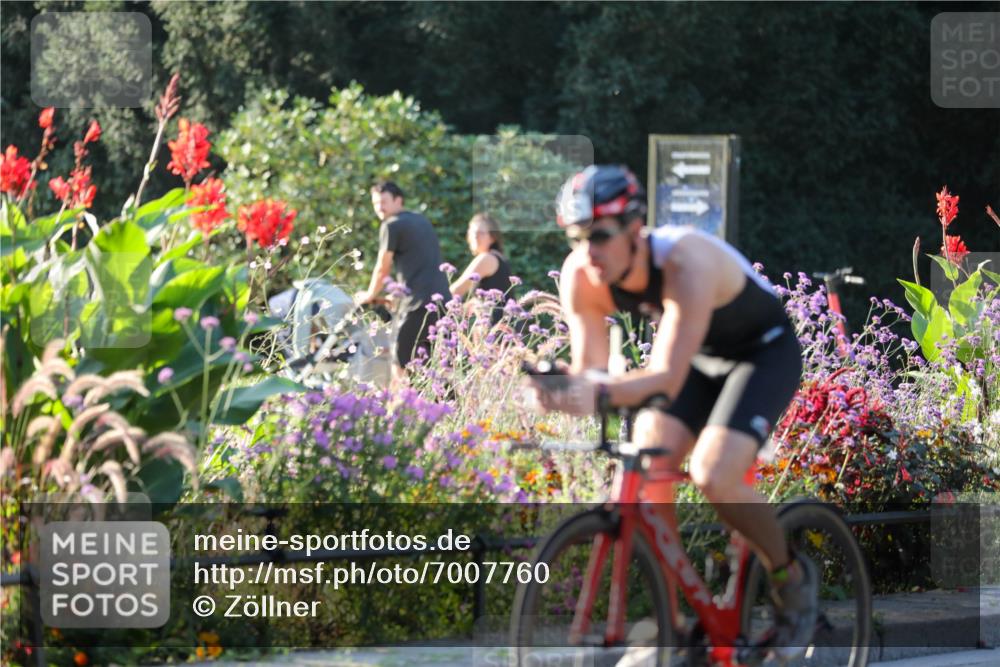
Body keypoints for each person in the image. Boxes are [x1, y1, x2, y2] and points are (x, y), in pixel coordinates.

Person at [526, 165, 818, 660]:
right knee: (647, 459)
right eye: (577, 237)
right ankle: (675, 626)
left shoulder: (685, 260)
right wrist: (557, 386)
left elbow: (662, 378)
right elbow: (591, 372)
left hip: (762, 353)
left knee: (713, 474)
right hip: (699, 359)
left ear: (635, 228)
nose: (588, 251)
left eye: (600, 235)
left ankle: (790, 577)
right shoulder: (581, 275)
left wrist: (594, 391)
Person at [357, 180, 450, 370]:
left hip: (417, 305)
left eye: (384, 201)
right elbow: (420, 264)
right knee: (440, 369)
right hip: (443, 303)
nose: (379, 207)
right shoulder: (422, 221)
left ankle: (401, 391)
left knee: (400, 364)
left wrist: (369, 295)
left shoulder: (391, 225)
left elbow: (382, 268)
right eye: (375, 203)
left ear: (398, 200)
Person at [450, 213, 514, 325]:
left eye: (481, 233)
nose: (475, 236)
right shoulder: (499, 258)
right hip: (504, 326)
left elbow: (457, 290)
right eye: (472, 232)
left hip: (494, 327)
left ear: (492, 237)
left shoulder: (486, 258)